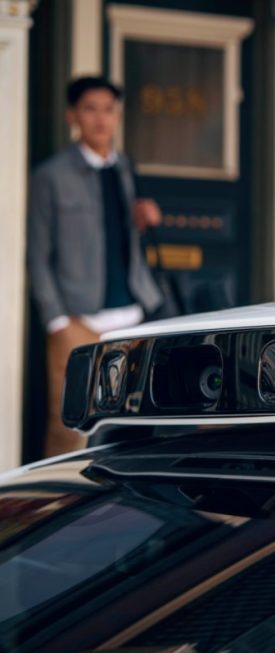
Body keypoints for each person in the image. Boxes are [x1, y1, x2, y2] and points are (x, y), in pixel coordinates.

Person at [27, 76, 163, 458]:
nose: (100, 119)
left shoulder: (125, 168)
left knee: (129, 420)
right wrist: (56, 319)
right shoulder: (50, 176)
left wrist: (144, 218)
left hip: (132, 314)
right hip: (77, 320)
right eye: (90, 109)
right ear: (73, 116)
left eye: (108, 109)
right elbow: (37, 253)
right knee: (68, 424)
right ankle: (57, 508)